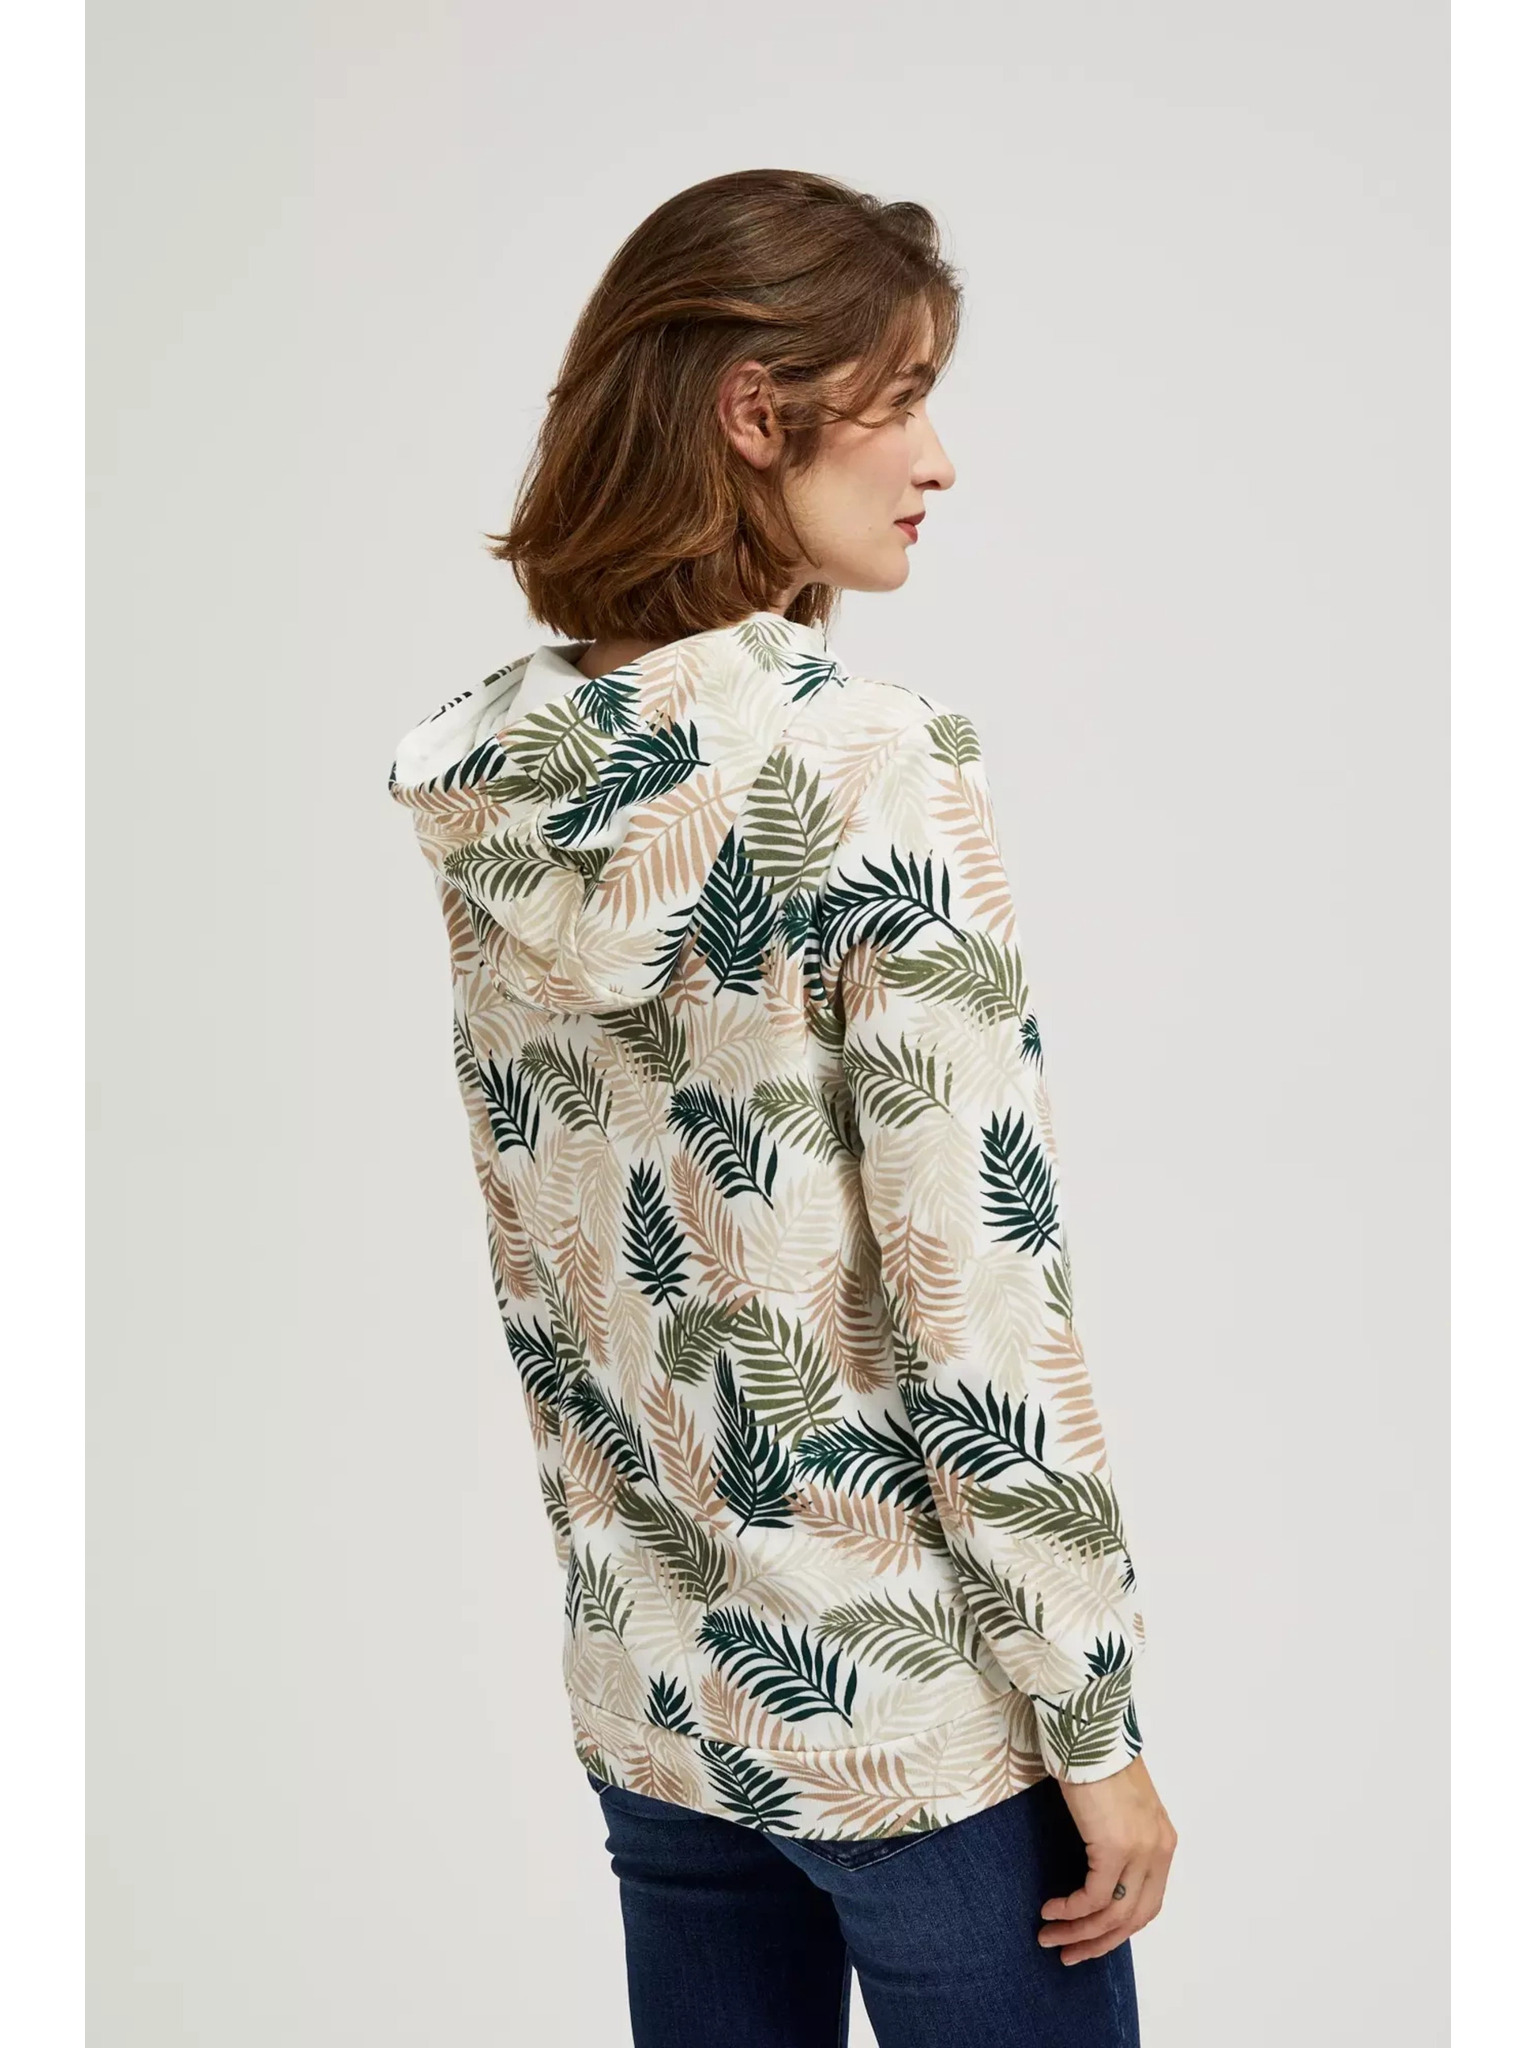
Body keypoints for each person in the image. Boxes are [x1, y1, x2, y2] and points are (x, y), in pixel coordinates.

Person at [388, 168, 1176, 2048]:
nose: (937, 461)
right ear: (759, 411)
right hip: (916, 1723)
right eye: (899, 401)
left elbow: (556, 1262)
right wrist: (1097, 1728)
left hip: (662, 1693)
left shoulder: (510, 784)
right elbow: (975, 1292)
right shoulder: (868, 765)